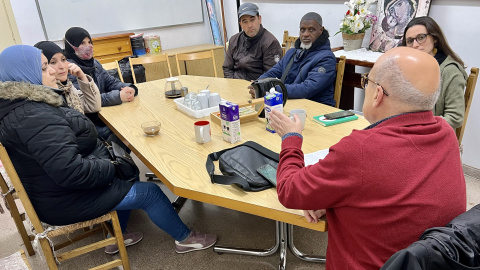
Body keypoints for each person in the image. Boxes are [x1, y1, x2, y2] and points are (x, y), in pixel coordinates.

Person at [0, 45, 217, 255]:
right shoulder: (34, 116)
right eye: (45, 66)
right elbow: (71, 171)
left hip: (54, 192)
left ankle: (118, 237)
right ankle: (186, 239)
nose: (52, 71)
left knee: (126, 176)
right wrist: (111, 167)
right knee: (149, 193)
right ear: (23, 73)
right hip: (64, 200)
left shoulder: (23, 107)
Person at [268, 47, 466, 270]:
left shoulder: (360, 149)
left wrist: (291, 137)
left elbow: (289, 190)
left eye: (367, 81)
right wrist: (335, 198)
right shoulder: (446, 134)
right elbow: (400, 191)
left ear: (378, 94)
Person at [64, 27, 137, 143]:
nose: (88, 46)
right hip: (91, 123)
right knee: (124, 131)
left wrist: (130, 88)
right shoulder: (69, 70)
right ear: (71, 46)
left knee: (133, 120)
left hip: (105, 114)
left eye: (89, 42)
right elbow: (88, 100)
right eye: (82, 43)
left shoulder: (95, 63)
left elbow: (111, 82)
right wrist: (118, 96)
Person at [251, 12, 336, 106]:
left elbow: (307, 89)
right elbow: (273, 72)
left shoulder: (327, 58)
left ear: (321, 30)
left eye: (311, 30)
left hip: (316, 108)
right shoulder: (291, 53)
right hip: (290, 102)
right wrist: (258, 84)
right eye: (302, 30)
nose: (306, 34)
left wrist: (270, 89)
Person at [402, 16, 467, 129]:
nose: (415, 45)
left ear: (435, 38)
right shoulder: (410, 67)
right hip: (408, 128)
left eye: (421, 37)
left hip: (432, 133)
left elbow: (455, 117)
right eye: (410, 41)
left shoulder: (450, 71)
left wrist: (421, 126)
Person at [34, 41, 101, 114]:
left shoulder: (67, 86)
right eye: (53, 62)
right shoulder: (44, 94)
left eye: (63, 59)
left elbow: (94, 106)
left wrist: (82, 77)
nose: (62, 66)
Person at [223, 3, 282, 81]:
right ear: (240, 24)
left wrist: (256, 87)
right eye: (245, 22)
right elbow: (227, 68)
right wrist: (233, 85)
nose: (250, 25)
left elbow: (272, 74)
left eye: (252, 20)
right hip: (236, 85)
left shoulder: (270, 43)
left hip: (257, 88)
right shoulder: (234, 40)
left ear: (259, 19)